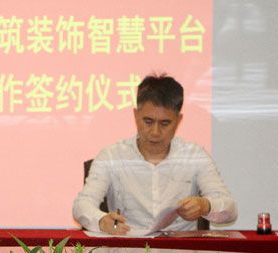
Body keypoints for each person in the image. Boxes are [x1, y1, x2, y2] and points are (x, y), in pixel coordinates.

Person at [73, 74, 237, 235]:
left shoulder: (194, 156)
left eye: (165, 123)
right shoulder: (111, 156)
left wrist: (205, 205)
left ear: (178, 120)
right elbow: (82, 205)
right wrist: (101, 221)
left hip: (180, 249)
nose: (155, 132)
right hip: (128, 248)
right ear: (136, 115)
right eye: (148, 121)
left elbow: (230, 209)